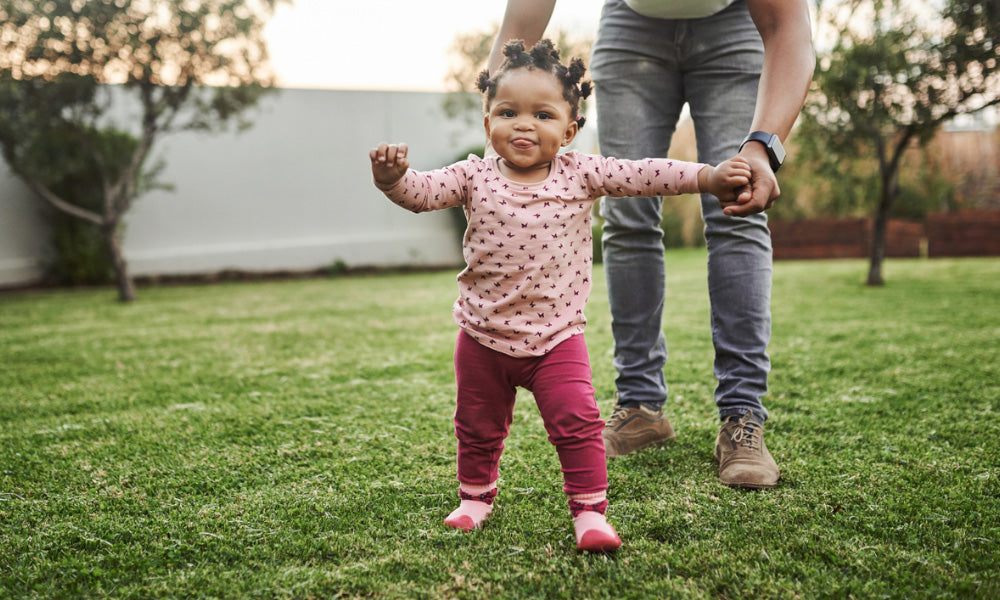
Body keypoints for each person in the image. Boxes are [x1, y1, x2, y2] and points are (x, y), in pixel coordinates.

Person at [369, 39, 752, 552]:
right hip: (481, 338)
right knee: (476, 426)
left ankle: (590, 513)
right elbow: (423, 193)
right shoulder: (472, 175)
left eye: (543, 115)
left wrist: (707, 176)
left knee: (578, 424)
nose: (523, 125)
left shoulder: (581, 173)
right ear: (487, 122)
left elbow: (646, 173)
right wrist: (393, 180)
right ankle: (475, 498)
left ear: (569, 131)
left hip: (556, 341)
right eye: (508, 112)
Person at [489, 0, 815, 489]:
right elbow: (520, 26)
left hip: (735, 26)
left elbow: (788, 27)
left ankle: (742, 414)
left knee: (738, 205)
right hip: (631, 28)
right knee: (627, 215)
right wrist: (493, 137)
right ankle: (640, 406)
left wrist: (762, 147)